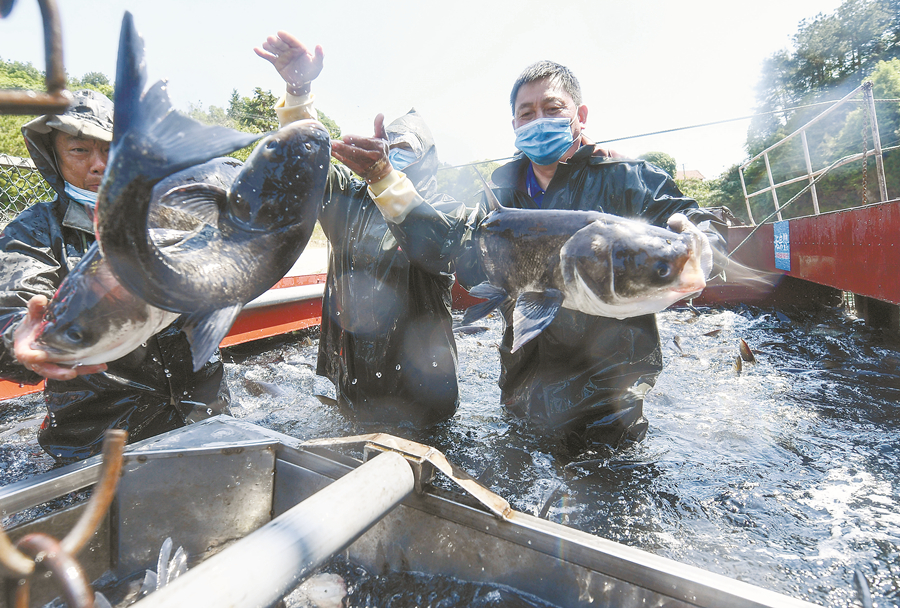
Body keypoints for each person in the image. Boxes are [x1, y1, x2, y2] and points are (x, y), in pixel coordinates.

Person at [457, 61, 727, 452]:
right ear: (515, 126)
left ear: (580, 115)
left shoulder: (626, 177)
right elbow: (471, 268)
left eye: (553, 109)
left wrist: (704, 245)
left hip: (609, 399)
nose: (539, 120)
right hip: (520, 385)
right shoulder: (498, 189)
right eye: (526, 113)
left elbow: (701, 228)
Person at [0, 90, 230, 462]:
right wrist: (16, 335)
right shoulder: (35, 231)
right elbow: (15, 301)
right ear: (55, 157)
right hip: (97, 439)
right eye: (79, 150)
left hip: (206, 414)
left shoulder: (174, 215)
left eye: (110, 150)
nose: (98, 165)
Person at [256, 33, 468, 426]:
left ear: (427, 158)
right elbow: (308, 158)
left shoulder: (443, 211)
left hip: (423, 404)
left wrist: (386, 179)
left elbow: (439, 246)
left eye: (403, 146)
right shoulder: (349, 200)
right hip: (352, 389)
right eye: (385, 143)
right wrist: (298, 89)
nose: (390, 152)